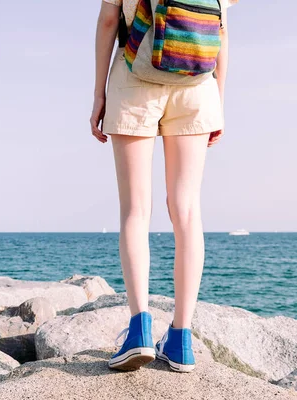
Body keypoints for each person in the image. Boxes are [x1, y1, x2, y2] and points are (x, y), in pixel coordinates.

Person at [90, 0, 237, 372]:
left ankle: (139, 329)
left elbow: (109, 21)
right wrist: (218, 100)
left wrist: (99, 95)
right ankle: (181, 340)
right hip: (197, 84)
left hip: (133, 75)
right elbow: (220, 29)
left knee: (136, 210)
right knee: (187, 211)